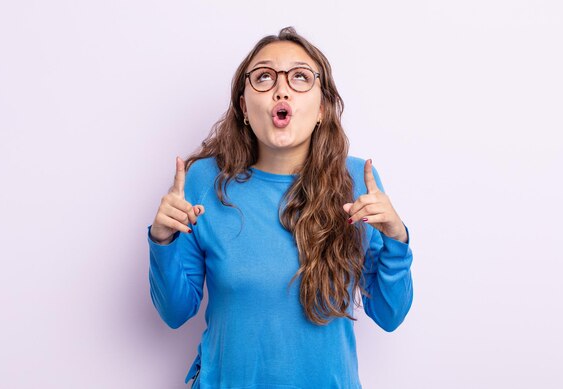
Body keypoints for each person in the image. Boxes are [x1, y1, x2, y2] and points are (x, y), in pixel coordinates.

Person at [147, 26, 414, 389]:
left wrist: (397, 241)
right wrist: (162, 241)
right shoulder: (202, 181)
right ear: (244, 106)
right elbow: (176, 313)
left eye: (301, 77)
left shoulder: (355, 179)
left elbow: (389, 314)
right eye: (264, 77)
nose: (281, 88)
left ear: (321, 107)